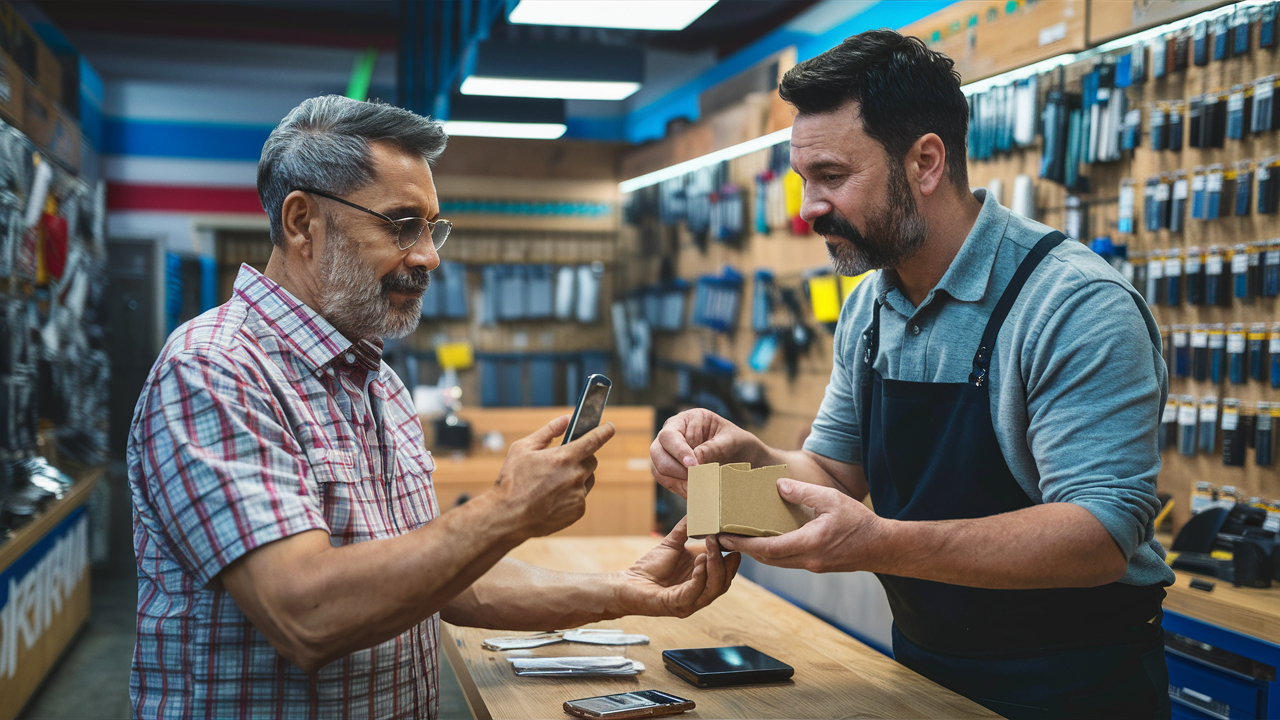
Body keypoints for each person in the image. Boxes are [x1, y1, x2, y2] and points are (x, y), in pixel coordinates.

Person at [127, 95, 741, 720]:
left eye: (431, 227)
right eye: (400, 224)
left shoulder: (380, 386)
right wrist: (507, 510)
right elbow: (303, 615)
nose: (428, 256)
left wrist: (623, 590)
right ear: (301, 222)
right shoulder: (215, 369)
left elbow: (451, 581)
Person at [651, 30, 1173, 719]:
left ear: (926, 161)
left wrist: (883, 543)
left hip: (1072, 684)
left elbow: (1102, 537)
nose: (807, 209)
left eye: (832, 177)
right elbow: (837, 477)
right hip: (925, 671)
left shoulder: (1075, 305)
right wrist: (748, 455)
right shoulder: (870, 305)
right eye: (803, 180)